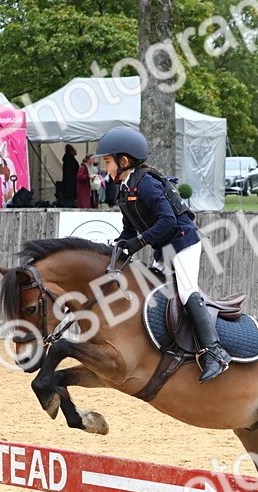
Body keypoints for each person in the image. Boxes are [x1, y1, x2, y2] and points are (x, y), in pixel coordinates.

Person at [96, 126, 230, 382]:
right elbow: (129, 225)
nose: (106, 168)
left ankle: (215, 352)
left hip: (183, 243)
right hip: (164, 247)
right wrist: (124, 241)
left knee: (186, 291)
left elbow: (168, 221)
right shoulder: (125, 188)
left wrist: (141, 241)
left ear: (123, 161)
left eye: (107, 162)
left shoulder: (146, 183)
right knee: (151, 288)